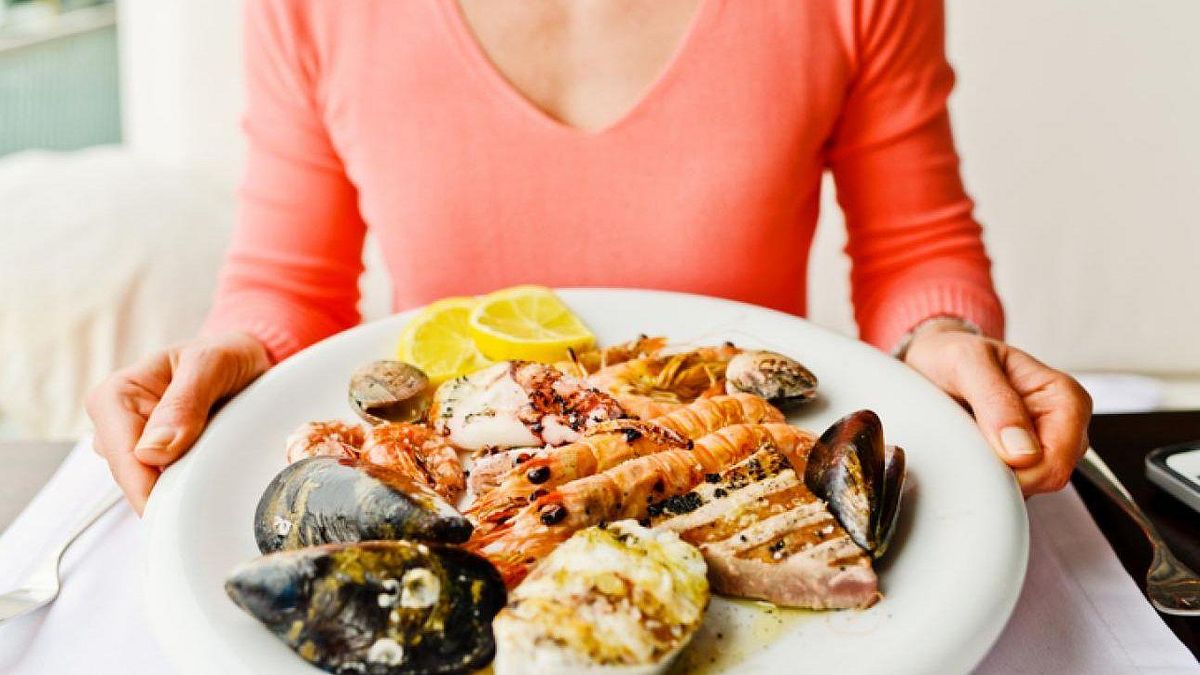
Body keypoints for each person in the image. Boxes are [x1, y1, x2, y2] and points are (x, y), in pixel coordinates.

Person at [86, 0, 1091, 514]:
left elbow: (915, 243)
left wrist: (943, 337)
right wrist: (236, 352)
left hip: (751, 473)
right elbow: (290, 281)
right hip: (457, 495)